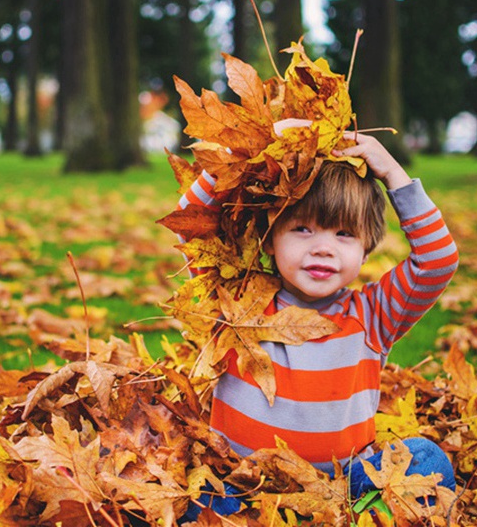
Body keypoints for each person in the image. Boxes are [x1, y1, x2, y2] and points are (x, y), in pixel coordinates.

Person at [175, 129, 459, 518]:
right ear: (270, 238)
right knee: (197, 498)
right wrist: (257, 143)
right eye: (302, 229)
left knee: (426, 460)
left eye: (344, 234)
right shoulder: (235, 300)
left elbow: (438, 261)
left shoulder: (373, 315)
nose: (322, 247)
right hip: (244, 487)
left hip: (344, 490)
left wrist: (393, 174)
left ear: (366, 247)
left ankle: (365, 518)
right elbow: (189, 224)